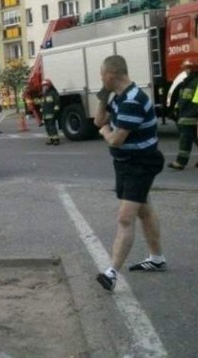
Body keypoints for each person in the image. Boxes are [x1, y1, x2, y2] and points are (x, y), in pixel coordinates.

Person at [93, 55, 166, 292]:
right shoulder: (119, 97)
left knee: (125, 217)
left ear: (111, 75)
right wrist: (103, 97)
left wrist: (105, 131)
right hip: (126, 164)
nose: (100, 78)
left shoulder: (133, 100)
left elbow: (115, 139)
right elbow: (98, 120)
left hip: (140, 164)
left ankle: (111, 273)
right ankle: (157, 259)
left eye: (102, 74)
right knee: (144, 210)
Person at [167, 58, 198, 170]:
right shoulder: (189, 81)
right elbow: (183, 99)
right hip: (186, 114)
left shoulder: (195, 82)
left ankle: (180, 162)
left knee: (185, 139)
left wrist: (191, 115)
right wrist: (176, 110)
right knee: (195, 137)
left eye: (187, 68)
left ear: (193, 69)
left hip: (190, 116)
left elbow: (195, 101)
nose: (185, 71)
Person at [41, 79, 61, 145]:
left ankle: (56, 140)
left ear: (49, 85)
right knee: (47, 127)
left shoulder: (53, 93)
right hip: (45, 114)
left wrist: (55, 111)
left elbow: (57, 102)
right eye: (43, 86)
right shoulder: (44, 94)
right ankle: (51, 139)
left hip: (51, 113)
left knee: (52, 126)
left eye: (45, 85)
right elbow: (43, 104)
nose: (44, 87)